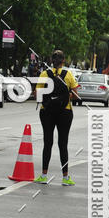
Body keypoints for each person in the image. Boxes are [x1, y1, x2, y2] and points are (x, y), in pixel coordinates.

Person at [35, 49, 81, 185]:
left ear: (51, 61)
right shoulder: (68, 75)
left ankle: (43, 175)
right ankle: (65, 177)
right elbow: (75, 94)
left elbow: (37, 94)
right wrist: (63, 97)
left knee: (47, 143)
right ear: (63, 61)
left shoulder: (44, 74)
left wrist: (49, 99)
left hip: (46, 112)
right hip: (65, 112)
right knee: (63, 144)